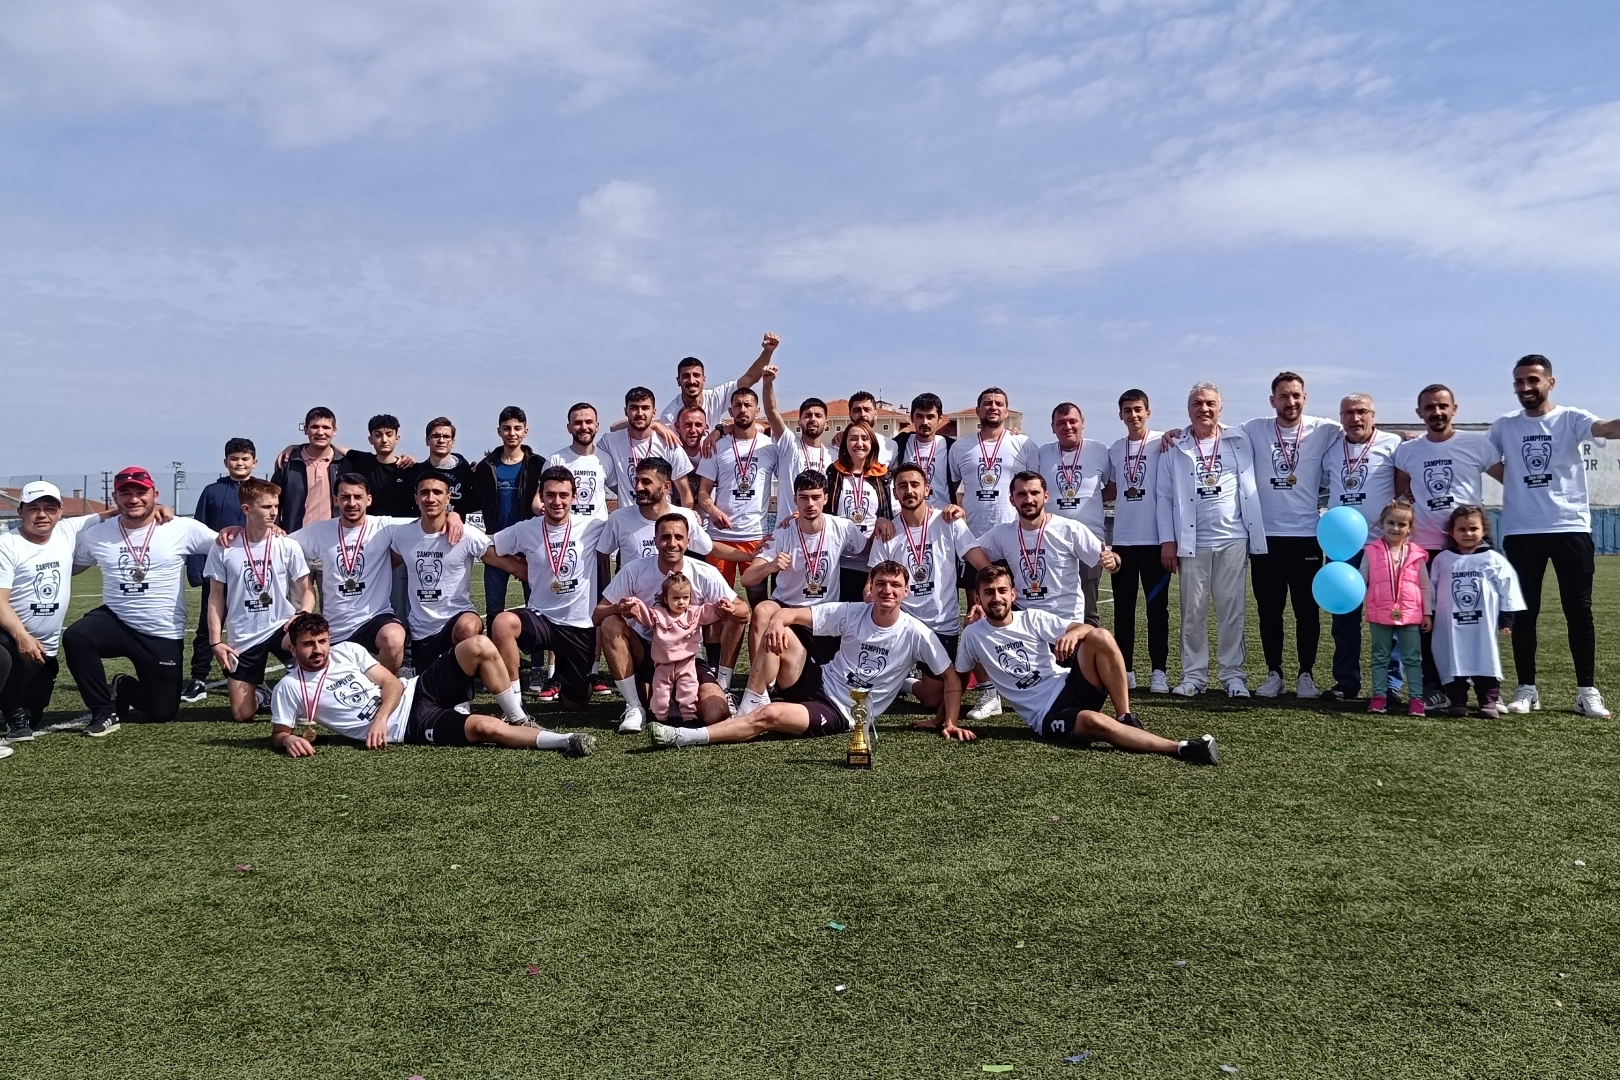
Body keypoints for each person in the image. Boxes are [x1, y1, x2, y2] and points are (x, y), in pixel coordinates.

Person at [659, 561, 959, 748]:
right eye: (880, 583)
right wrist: (777, 622)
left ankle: (687, 736)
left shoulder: (917, 633)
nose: (887, 590)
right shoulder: (853, 611)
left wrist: (946, 721)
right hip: (817, 679)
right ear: (871, 586)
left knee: (770, 715)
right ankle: (751, 701)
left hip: (840, 711)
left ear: (906, 591)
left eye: (895, 585)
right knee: (780, 632)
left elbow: (951, 677)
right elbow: (790, 614)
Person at [952, 565, 1219, 764]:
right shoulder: (973, 635)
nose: (996, 598)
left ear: (1013, 594)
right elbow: (958, 678)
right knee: (1094, 721)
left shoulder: (1031, 618)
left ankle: (1126, 716)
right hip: (1047, 715)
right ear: (978, 599)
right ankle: (1182, 747)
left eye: (1002, 591)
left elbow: (1085, 628)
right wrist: (948, 721)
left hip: (1069, 684)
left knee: (1099, 636)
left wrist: (1073, 634)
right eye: (988, 592)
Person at [1488, 355, 1620, 718]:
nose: (1526, 387)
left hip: (1570, 527)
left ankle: (1586, 691)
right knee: (1524, 612)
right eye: (1519, 382)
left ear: (1550, 382)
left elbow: (1608, 429)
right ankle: (1526, 689)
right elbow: (1484, 458)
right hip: (1521, 531)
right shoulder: (1503, 426)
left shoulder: (1571, 418)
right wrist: (1516, 481)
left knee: (1579, 611)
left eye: (1533, 380)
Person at [268, 612, 595, 758]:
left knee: (479, 645)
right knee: (485, 727)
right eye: (308, 644)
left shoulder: (346, 652)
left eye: (322, 641)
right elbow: (280, 733)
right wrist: (288, 740)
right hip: (410, 725)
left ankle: (520, 718)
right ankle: (566, 741)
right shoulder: (289, 687)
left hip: (415, 689)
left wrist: (379, 719)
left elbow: (392, 684)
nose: (318, 650)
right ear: (293, 648)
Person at [66, 467, 216, 736]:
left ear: (155, 495)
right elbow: (72, 566)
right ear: (115, 498)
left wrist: (261, 531)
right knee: (77, 637)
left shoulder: (182, 528)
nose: (133, 499)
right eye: (125, 493)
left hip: (162, 631)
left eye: (141, 492)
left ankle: (123, 686)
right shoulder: (97, 533)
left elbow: (229, 544)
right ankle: (103, 710)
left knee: (161, 712)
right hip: (116, 619)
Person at [1392, 384, 1503, 708]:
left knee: (1474, 618)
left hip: (1471, 548)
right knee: (1429, 621)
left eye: (1442, 406)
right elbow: (1402, 493)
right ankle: (1435, 687)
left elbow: (1511, 478)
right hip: (1426, 548)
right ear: (1419, 412)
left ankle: (1486, 689)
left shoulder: (1477, 444)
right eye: (1429, 407)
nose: (1436, 412)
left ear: (1454, 408)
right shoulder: (1408, 452)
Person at [1156, 383, 1267, 698]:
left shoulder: (1239, 439)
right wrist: (1168, 541)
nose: (1204, 409)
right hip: (1192, 541)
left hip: (1233, 538)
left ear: (1220, 407)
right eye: (1197, 403)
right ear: (1188, 409)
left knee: (1231, 610)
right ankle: (1193, 677)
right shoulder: (1174, 446)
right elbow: (1164, 497)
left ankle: (1233, 677)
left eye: (1210, 403)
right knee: (1193, 611)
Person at [594, 514, 748, 732]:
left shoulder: (704, 572)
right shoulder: (634, 570)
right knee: (611, 622)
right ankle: (634, 706)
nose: (672, 543)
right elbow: (598, 615)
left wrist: (730, 609)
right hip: (647, 652)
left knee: (716, 713)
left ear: (688, 541)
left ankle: (722, 686)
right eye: (665, 537)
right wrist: (617, 608)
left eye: (678, 537)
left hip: (687, 658)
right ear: (655, 540)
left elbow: (744, 611)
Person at [736, 470, 872, 715]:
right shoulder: (783, 532)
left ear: (826, 498)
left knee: (811, 681)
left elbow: (870, 549)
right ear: (795, 500)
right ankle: (759, 692)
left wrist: (883, 524)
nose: (810, 503)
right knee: (762, 610)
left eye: (815, 497)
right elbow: (747, 578)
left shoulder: (843, 527)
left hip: (821, 614)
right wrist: (770, 566)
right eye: (804, 497)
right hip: (786, 608)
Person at [1240, 373, 1340, 699]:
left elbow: (1363, 430)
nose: (1291, 402)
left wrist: (1403, 434)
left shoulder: (1325, 429)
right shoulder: (1253, 428)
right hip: (1265, 538)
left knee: (1306, 611)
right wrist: (1175, 434)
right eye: (1283, 396)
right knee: (1269, 611)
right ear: (1273, 400)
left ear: (1305, 397)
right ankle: (1274, 673)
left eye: (1296, 395)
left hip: (1306, 537)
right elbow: (1212, 433)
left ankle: (1306, 675)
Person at [948, 386, 1039, 721]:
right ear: (978, 410)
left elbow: (1035, 488)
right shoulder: (960, 447)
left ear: (1007, 410)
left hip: (1016, 542)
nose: (993, 407)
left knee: (1021, 615)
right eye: (987, 403)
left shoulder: (1024, 444)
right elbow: (953, 489)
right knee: (978, 616)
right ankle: (988, 692)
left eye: (999, 403)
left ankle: (1026, 681)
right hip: (974, 544)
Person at [489, 467, 608, 711]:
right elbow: (486, 545)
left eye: (563, 495)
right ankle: (514, 704)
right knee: (502, 623)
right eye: (550, 495)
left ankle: (569, 681)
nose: (557, 501)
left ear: (574, 496)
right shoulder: (526, 529)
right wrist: (514, 566)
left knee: (575, 704)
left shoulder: (593, 526)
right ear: (541, 496)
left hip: (578, 625)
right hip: (541, 617)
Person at [0, 482, 112, 742]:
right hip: (10, 637)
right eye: (34, 508)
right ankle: (14, 715)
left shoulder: (67, 530)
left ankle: (16, 707)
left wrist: (157, 509)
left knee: (34, 713)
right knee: (3, 653)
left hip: (43, 650)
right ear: (20, 511)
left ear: (60, 511)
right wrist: (21, 635)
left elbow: (112, 514)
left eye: (49, 508)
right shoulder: (7, 544)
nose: (42, 514)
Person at [291, 473, 431, 673]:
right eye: (345, 497)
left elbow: (428, 523)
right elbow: (282, 545)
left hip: (375, 619)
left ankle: (384, 685)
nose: (352, 503)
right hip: (334, 624)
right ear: (335, 500)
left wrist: (451, 516)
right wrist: (270, 532)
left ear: (369, 499)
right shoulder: (318, 531)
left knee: (394, 637)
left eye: (358, 497)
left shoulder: (385, 527)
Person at [204, 478, 316, 722]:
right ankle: (263, 696)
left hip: (281, 626)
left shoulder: (287, 545)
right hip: (244, 635)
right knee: (242, 715)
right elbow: (215, 597)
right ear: (246, 509)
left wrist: (303, 614)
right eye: (266, 507)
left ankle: (304, 687)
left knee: (307, 640)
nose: (273, 512)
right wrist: (215, 642)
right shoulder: (223, 547)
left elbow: (307, 590)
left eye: (275, 506)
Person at [389, 474, 522, 673]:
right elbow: (384, 567)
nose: (430, 498)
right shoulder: (403, 535)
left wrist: (545, 577)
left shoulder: (466, 534)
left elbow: (505, 562)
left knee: (468, 627)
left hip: (457, 620)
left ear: (448, 497)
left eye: (437, 492)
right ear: (416, 498)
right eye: (424, 493)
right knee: (428, 687)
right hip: (421, 630)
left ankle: (467, 688)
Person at [1320, 394, 1405, 702]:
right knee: (1344, 619)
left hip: (1382, 543)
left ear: (1373, 414)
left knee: (1388, 617)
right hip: (1342, 547)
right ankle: (1346, 682)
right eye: (1348, 413)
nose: (1355, 418)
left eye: (1361, 412)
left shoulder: (1393, 444)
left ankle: (1390, 686)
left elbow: (1404, 485)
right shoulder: (1330, 450)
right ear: (1340, 417)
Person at [867, 463, 989, 663]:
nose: (909, 490)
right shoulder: (887, 533)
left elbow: (984, 566)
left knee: (941, 684)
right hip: (904, 625)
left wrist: (982, 602)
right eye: (902, 486)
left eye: (915, 484)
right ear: (895, 493)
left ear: (927, 489)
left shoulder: (949, 522)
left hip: (943, 624)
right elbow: (869, 587)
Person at [972, 472, 1119, 627]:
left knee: (1101, 637)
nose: (1028, 500)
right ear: (1012, 500)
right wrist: (958, 521)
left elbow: (1114, 561)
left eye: (1034, 493)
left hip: (1065, 622)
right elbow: (970, 549)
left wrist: (1112, 562)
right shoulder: (1002, 533)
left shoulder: (1070, 529)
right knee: (974, 627)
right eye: (1021, 494)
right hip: (1023, 622)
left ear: (1046, 496)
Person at [1429, 506, 1526, 718]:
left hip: (1484, 626)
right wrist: (1430, 614)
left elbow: (1508, 588)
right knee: (1452, 659)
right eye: (1462, 529)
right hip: (1449, 626)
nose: (1468, 533)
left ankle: (1488, 702)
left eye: (1473, 528)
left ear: (1484, 530)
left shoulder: (1493, 558)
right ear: (1452, 532)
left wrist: (1506, 619)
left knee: (1486, 658)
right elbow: (1431, 590)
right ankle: (1457, 701)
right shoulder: (1443, 559)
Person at [1104, 390, 1171, 693]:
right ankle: (1126, 670)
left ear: (1148, 412)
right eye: (1127, 410)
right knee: (1123, 610)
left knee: (1157, 610)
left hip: (1155, 541)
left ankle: (1159, 672)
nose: (1133, 415)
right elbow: (1110, 489)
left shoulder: (1163, 442)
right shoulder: (1115, 449)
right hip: (1123, 542)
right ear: (1120, 415)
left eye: (1138, 409)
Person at [182, 438, 258, 703]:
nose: (240, 463)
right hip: (218, 572)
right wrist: (197, 570)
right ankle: (199, 678)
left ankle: (249, 676)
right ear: (225, 462)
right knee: (208, 625)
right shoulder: (212, 491)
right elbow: (197, 529)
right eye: (234, 459)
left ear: (254, 462)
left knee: (252, 624)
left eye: (245, 459)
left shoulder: (263, 491)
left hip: (254, 572)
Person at [695, 386, 779, 597]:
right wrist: (713, 511)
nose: (743, 409)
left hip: (756, 536)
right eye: (738, 405)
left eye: (748, 405)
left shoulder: (770, 447)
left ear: (757, 410)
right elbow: (703, 491)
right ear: (730, 411)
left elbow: (787, 482)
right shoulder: (716, 446)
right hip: (720, 537)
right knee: (718, 601)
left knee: (758, 600)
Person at [1037, 403, 1111, 626]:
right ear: (1052, 427)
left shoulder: (1099, 451)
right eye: (1061, 422)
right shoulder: (1042, 453)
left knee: (1088, 611)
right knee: (1052, 605)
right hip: (1052, 542)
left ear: (1082, 423)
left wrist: (1089, 502)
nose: (1067, 426)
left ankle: (1088, 649)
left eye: (1072, 421)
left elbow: (1112, 488)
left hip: (1090, 542)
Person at [1356, 499, 1432, 716]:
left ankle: (1416, 699)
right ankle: (1379, 697)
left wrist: (1427, 612)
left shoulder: (1417, 554)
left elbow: (1425, 586)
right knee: (1380, 657)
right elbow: (1360, 580)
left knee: (1412, 658)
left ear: (1410, 528)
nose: (1395, 528)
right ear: (1382, 524)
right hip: (1379, 612)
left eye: (1402, 524)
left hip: (1410, 614)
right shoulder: (1371, 551)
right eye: (1391, 523)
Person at [620, 573, 725, 724]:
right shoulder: (658, 615)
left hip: (687, 663)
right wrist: (634, 604)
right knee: (660, 693)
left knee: (688, 690)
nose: (681, 602)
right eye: (675, 598)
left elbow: (711, 611)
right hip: (663, 665)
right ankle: (661, 719)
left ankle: (688, 718)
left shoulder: (695, 614)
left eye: (685, 597)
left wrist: (721, 605)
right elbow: (644, 615)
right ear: (665, 599)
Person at [473, 406, 545, 618]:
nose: (512, 433)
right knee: (494, 609)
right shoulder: (486, 466)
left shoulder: (538, 465)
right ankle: (495, 642)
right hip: (497, 544)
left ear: (525, 431)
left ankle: (534, 643)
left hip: (530, 544)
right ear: (499, 431)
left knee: (536, 609)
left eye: (517, 428)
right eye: (506, 428)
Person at [596, 458, 713, 565]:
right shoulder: (619, 518)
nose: (638, 487)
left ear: (666, 487)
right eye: (637, 481)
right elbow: (601, 556)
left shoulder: (685, 517)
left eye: (646, 482)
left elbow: (706, 549)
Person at [826, 420, 894, 601]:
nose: (859, 443)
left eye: (864, 438)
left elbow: (892, 512)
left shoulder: (882, 476)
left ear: (872, 444)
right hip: (838, 562)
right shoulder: (833, 473)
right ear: (845, 443)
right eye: (853, 438)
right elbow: (821, 508)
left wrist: (883, 519)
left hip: (870, 562)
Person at [657, 332, 778, 430]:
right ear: (678, 381)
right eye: (686, 376)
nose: (692, 380)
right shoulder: (669, 416)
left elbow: (750, 378)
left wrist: (768, 351)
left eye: (696, 375)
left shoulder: (715, 397)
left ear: (704, 379)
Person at [601, 387, 696, 506]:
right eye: (634, 408)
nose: (640, 413)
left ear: (654, 412)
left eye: (645, 408)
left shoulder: (669, 444)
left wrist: (688, 515)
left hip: (660, 516)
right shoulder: (609, 442)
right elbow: (612, 427)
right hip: (627, 516)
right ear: (626, 411)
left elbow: (685, 493)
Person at [271, 407, 348, 532]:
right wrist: (275, 527)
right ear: (306, 429)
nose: (320, 432)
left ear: (334, 431)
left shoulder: (345, 464)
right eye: (314, 427)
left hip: (335, 537)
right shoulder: (288, 464)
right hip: (295, 536)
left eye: (326, 427)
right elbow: (272, 499)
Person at [763, 371, 836, 495]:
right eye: (808, 415)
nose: (813, 419)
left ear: (826, 423)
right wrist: (767, 383)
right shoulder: (789, 445)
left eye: (818, 415)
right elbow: (771, 413)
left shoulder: (833, 454)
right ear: (799, 422)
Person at [340, 414, 420, 518]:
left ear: (397, 438)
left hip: (402, 524)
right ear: (370, 439)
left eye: (389, 434)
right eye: (378, 435)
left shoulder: (408, 467)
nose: (384, 440)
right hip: (370, 525)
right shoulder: (362, 461)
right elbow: (334, 448)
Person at [891, 392, 958, 510]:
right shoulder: (899, 444)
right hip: (908, 515)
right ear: (912, 418)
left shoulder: (951, 447)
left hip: (941, 515)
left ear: (940, 418)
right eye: (919, 416)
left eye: (930, 417)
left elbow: (957, 480)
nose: (924, 422)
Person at [546, 404, 610, 521]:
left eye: (589, 422)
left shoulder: (606, 459)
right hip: (566, 530)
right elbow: (539, 499)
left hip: (599, 531)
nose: (584, 427)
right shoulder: (556, 460)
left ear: (597, 426)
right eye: (578, 423)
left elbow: (623, 492)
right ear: (569, 428)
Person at [412, 417, 480, 517]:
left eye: (446, 437)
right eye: (436, 436)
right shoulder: (416, 472)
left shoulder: (468, 472)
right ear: (427, 441)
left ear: (453, 442)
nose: (441, 440)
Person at [847, 391, 895, 465]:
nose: (862, 414)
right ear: (850, 416)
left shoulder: (891, 446)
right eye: (857, 410)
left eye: (867, 410)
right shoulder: (837, 446)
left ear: (875, 415)